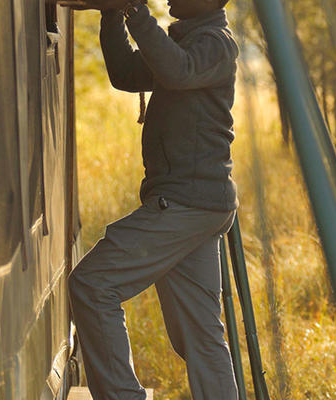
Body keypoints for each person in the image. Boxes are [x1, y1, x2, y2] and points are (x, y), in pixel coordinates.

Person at [57, 0, 239, 398]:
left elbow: (177, 71)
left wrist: (135, 11)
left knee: (92, 285)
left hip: (188, 204)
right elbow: (126, 74)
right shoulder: (188, 40)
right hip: (197, 204)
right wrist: (111, 15)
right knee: (201, 337)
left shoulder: (214, 44)